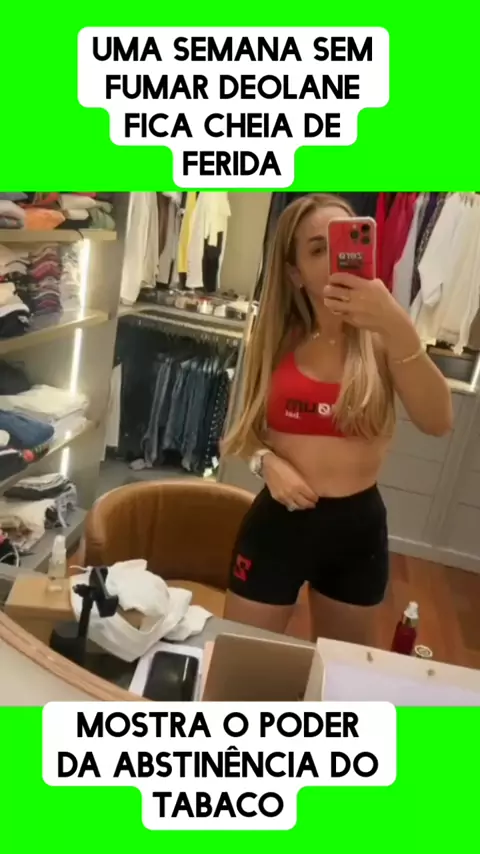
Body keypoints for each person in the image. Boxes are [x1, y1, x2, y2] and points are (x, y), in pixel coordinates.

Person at [221, 193, 452, 645]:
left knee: (338, 674)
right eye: (317, 248)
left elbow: (438, 421)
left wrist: (396, 324)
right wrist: (266, 463)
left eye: (347, 240)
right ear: (295, 273)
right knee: (240, 663)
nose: (336, 258)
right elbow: (245, 435)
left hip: (357, 533)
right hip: (278, 524)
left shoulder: (384, 340)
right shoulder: (275, 340)